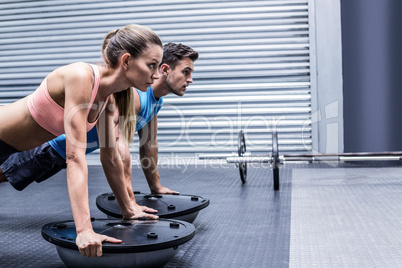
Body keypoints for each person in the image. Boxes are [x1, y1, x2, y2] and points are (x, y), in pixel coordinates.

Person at [0, 24, 163, 257]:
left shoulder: (108, 100)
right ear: (126, 61)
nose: (156, 75)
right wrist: (84, 230)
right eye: (151, 65)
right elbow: (74, 157)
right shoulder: (81, 76)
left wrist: (129, 209)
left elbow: (111, 158)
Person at [0, 43, 199, 196]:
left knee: (7, 177)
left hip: (63, 153)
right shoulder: (136, 96)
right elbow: (119, 150)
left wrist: (156, 187)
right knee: (4, 174)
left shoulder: (157, 102)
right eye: (186, 72)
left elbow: (149, 144)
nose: (190, 80)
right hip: (50, 146)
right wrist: (128, 204)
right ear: (165, 70)